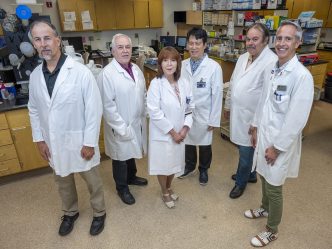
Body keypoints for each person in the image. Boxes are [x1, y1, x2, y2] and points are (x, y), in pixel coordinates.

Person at [28, 20, 106, 236]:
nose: (43, 44)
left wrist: (90, 142)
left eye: (47, 38)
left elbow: (94, 110)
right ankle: (70, 212)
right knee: (62, 180)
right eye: (37, 39)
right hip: (53, 142)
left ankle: (99, 212)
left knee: (92, 181)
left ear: (58, 41)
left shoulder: (80, 72)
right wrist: (39, 139)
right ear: (34, 44)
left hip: (81, 140)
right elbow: (33, 109)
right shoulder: (35, 76)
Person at [245, 21, 314, 247]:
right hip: (264, 133)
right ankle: (264, 208)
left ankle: (272, 229)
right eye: (280, 38)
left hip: (280, 142)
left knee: (274, 186)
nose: (282, 43)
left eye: (288, 39)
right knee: (263, 175)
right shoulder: (273, 68)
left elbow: (296, 120)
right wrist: (255, 126)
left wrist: (277, 148)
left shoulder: (301, 77)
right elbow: (262, 102)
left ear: (298, 42)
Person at [224, 23, 278, 199]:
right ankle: (251, 174)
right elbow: (233, 83)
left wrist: (255, 123)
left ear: (265, 41)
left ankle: (241, 182)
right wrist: (228, 105)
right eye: (248, 39)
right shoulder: (243, 57)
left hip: (253, 118)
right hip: (239, 113)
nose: (250, 43)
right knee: (244, 147)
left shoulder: (271, 62)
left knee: (247, 151)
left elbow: (266, 98)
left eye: (255, 39)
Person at [98, 34, 148, 205]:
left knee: (131, 153)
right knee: (120, 157)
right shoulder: (107, 74)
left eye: (128, 46)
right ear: (113, 51)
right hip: (119, 124)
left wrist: (146, 112)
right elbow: (107, 107)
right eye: (120, 47)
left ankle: (132, 177)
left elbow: (143, 94)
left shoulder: (135, 69)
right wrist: (121, 127)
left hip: (135, 121)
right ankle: (122, 188)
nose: (125, 50)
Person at [147, 47, 194, 208]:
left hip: (180, 133)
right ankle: (164, 191)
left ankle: (169, 186)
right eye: (165, 60)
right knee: (163, 164)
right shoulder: (156, 84)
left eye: (173, 60)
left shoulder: (185, 83)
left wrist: (185, 129)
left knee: (174, 163)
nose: (169, 64)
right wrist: (173, 132)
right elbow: (154, 112)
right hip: (163, 133)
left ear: (178, 63)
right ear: (160, 64)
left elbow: (190, 108)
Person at [179, 27, 223, 185]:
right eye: (191, 43)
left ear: (205, 45)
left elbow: (217, 95)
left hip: (205, 113)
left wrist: (214, 119)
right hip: (186, 112)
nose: (193, 47)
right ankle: (189, 166)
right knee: (188, 141)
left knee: (205, 144)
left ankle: (203, 169)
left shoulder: (214, 67)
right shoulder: (182, 64)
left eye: (197, 43)